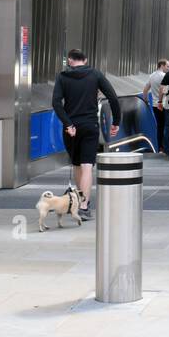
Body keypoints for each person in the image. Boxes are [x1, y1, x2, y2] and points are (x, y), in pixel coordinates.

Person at [52, 49, 121, 219]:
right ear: (86, 59)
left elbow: (55, 102)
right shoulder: (95, 75)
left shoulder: (62, 77)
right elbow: (112, 97)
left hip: (72, 129)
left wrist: (68, 124)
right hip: (90, 125)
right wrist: (116, 122)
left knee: (76, 164)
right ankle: (83, 206)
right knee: (87, 166)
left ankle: (80, 201)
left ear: (69, 60)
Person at [143, 58, 169, 155]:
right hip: (164, 104)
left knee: (159, 126)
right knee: (167, 126)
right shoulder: (165, 76)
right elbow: (166, 90)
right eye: (167, 66)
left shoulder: (152, 76)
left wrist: (146, 100)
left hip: (155, 105)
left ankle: (160, 148)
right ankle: (167, 147)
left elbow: (145, 89)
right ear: (162, 65)